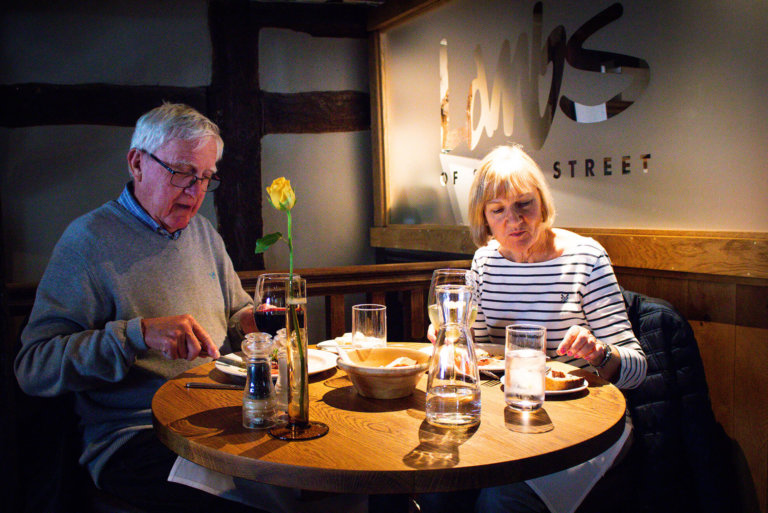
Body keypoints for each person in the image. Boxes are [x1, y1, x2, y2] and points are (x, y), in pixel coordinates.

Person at [14, 103, 260, 513]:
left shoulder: (203, 233)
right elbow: (34, 367)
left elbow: (236, 313)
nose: (194, 191)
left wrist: (249, 320)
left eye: (205, 178)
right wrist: (136, 334)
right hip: (136, 437)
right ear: (137, 163)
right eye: (182, 172)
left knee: (308, 480)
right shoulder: (87, 241)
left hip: (217, 419)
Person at [422, 145, 647, 513]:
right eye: (498, 211)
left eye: (524, 204)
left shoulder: (586, 258)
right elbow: (475, 360)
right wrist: (452, 346)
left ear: (542, 202)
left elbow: (638, 369)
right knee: (434, 485)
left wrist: (599, 353)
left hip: (583, 429)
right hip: (505, 422)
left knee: (500, 503)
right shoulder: (485, 262)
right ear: (485, 219)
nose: (515, 221)